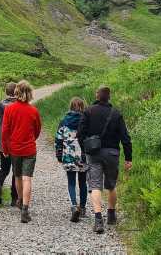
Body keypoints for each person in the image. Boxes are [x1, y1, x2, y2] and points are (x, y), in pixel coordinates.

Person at [77, 85, 132, 234]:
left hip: (93, 153)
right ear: (109, 97)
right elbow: (125, 138)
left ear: (97, 95)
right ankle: (112, 215)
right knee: (111, 185)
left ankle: (98, 220)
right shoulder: (116, 113)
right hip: (112, 154)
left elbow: (80, 134)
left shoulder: (88, 111)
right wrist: (128, 158)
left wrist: (85, 149)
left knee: (95, 186)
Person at [0, 80, 41, 224]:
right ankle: (25, 208)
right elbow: (37, 131)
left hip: (15, 149)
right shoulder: (34, 110)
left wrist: (5, 148)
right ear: (29, 93)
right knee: (27, 178)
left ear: (17, 92)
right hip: (29, 148)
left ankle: (20, 199)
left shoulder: (9, 110)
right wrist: (30, 139)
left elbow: (5, 132)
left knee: (17, 176)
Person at [55, 96, 88, 222]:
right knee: (83, 182)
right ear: (82, 107)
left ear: (70, 107)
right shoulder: (86, 120)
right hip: (83, 156)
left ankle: (74, 207)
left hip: (68, 156)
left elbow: (58, 140)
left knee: (71, 182)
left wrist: (59, 155)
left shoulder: (64, 121)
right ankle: (83, 208)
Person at [0, 81, 19, 206]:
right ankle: (14, 198)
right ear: (16, 92)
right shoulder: (18, 105)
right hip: (15, 142)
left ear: (6, 92)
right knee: (16, 171)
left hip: (3, 143)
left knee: (4, 168)